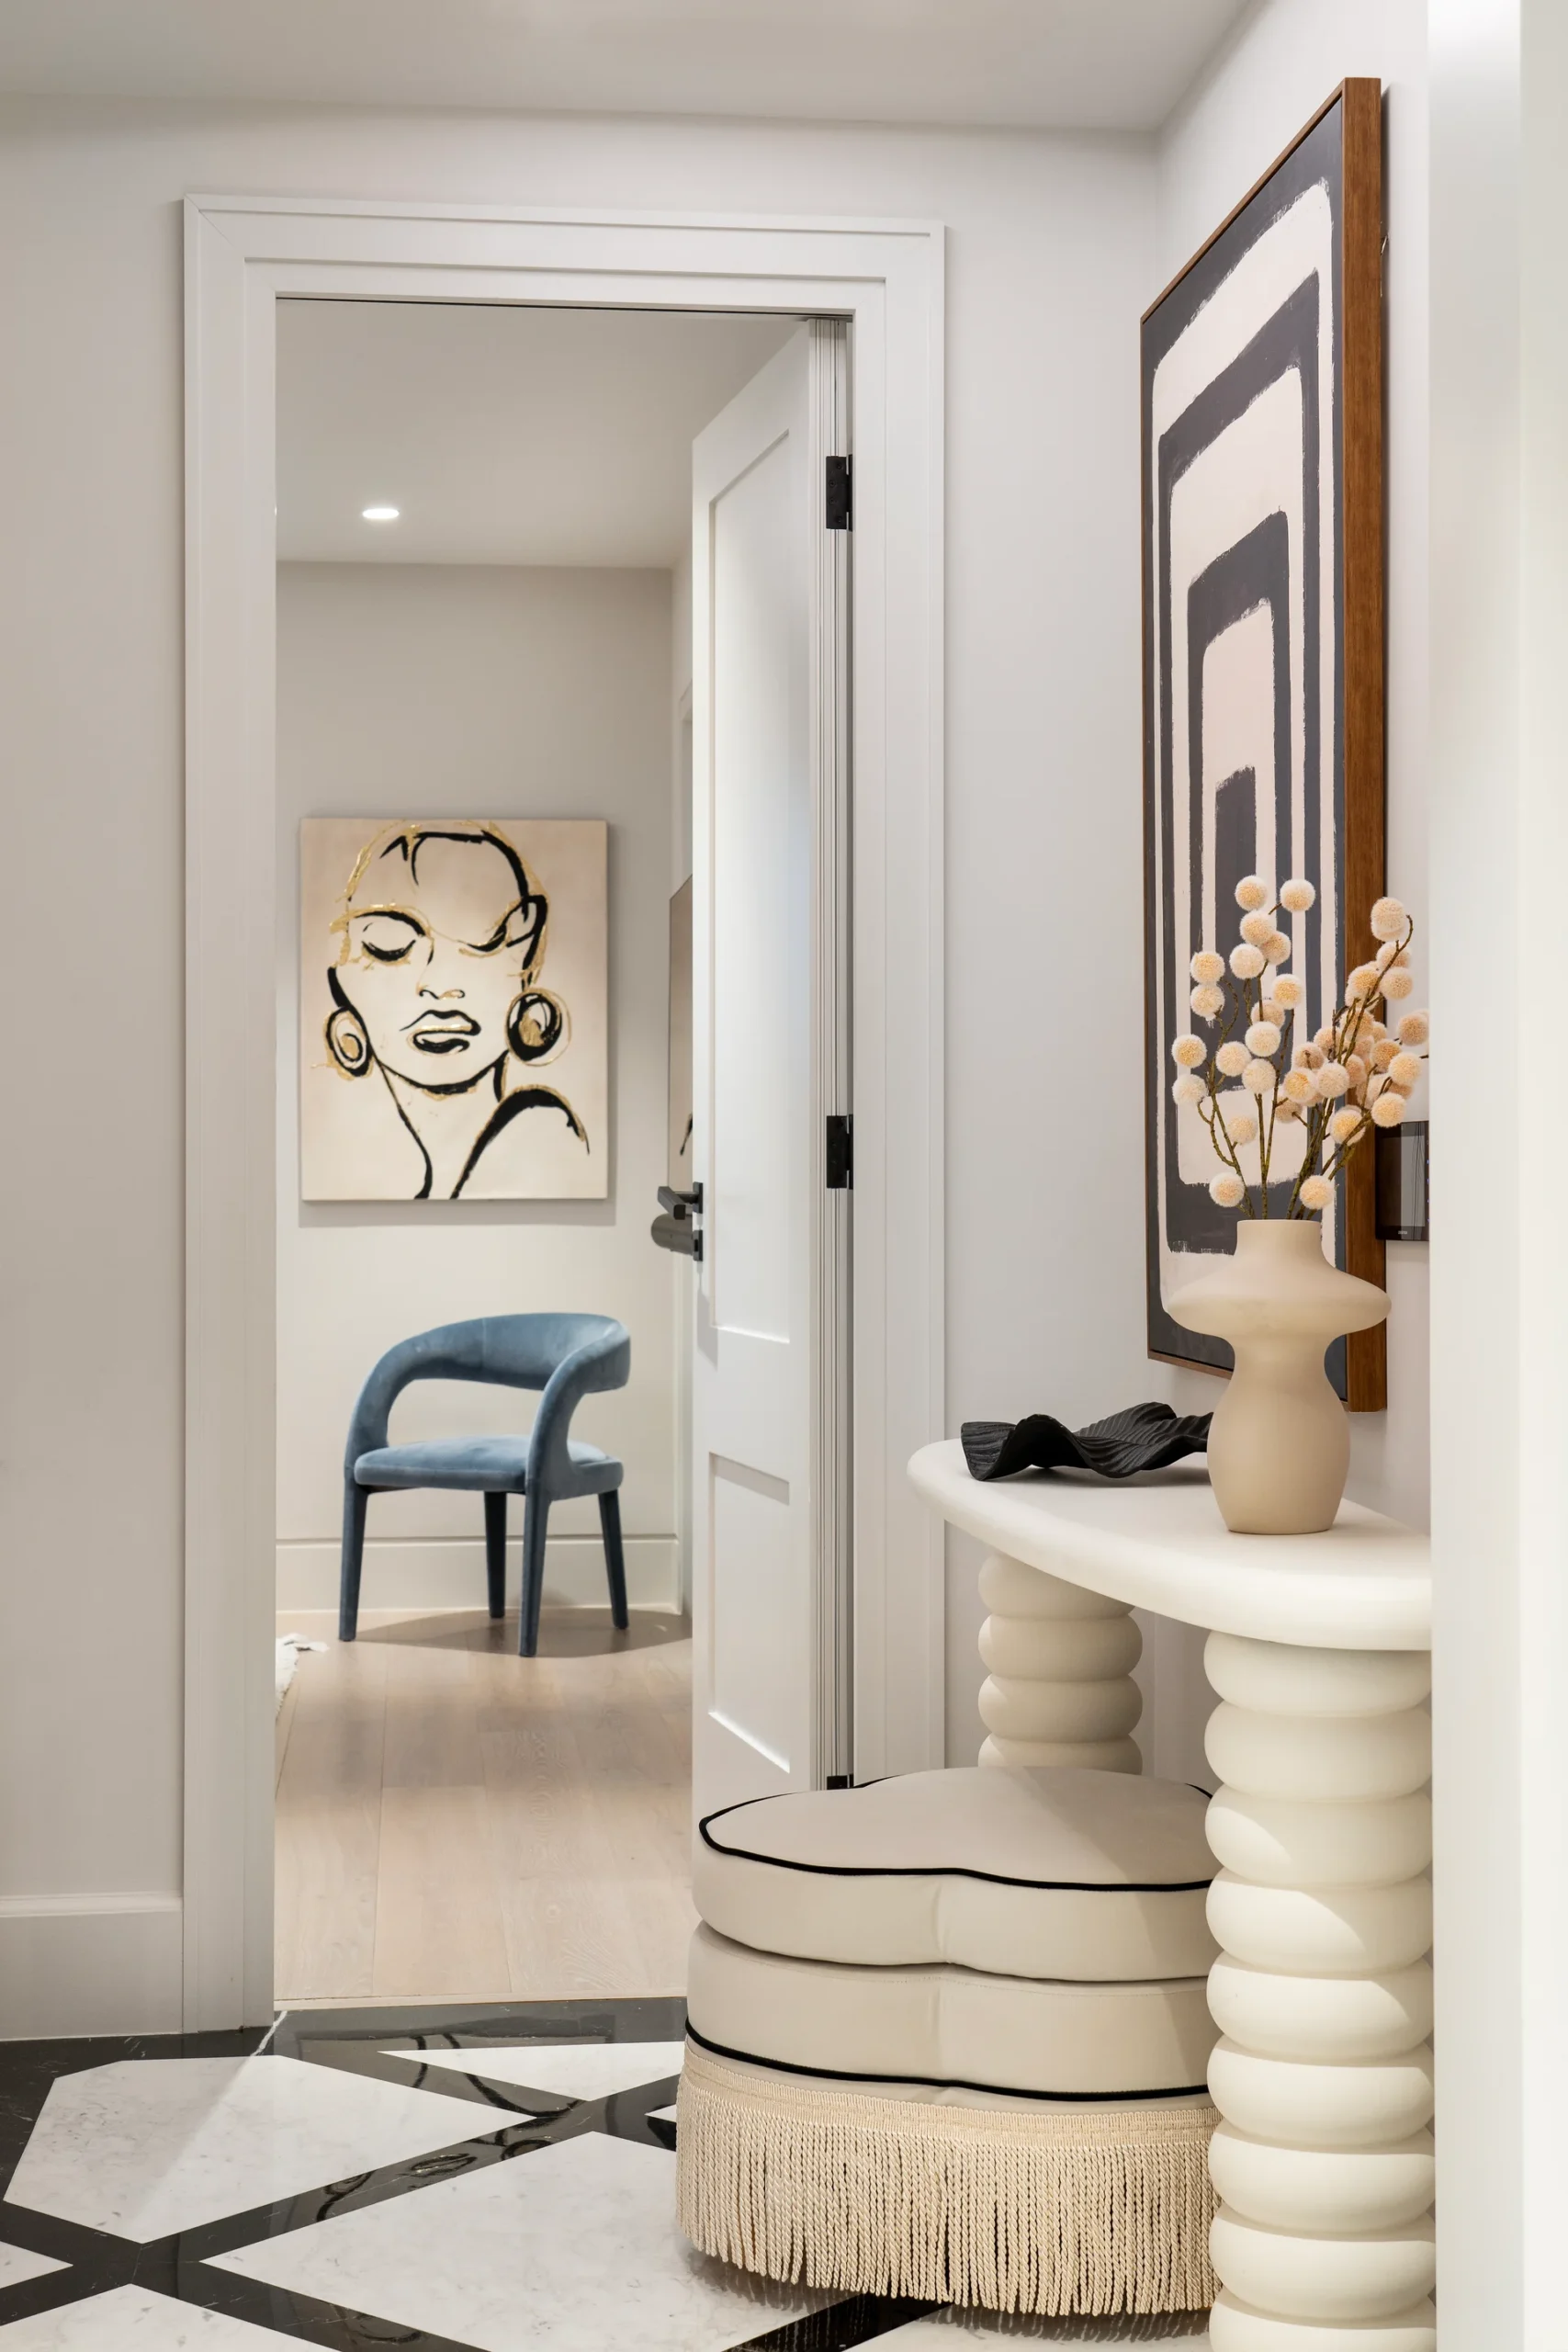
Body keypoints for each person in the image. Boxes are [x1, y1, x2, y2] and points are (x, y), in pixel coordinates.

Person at [323, 820, 585, 1199]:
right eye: (389, 944)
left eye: (484, 942)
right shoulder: (430, 1186)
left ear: (525, 957)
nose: (440, 985)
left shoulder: (542, 1130)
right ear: (343, 981)